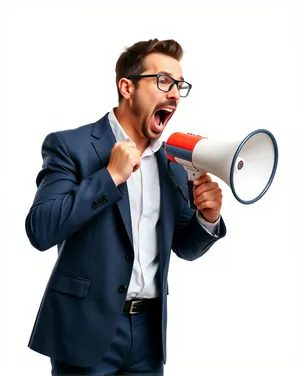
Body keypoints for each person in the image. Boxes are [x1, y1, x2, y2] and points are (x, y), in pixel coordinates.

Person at [25, 38, 226, 376]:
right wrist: (109, 177)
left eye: (180, 85)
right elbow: (41, 229)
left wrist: (208, 219)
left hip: (148, 337)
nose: (175, 93)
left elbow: (184, 247)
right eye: (163, 81)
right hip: (84, 332)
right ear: (126, 87)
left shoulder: (173, 163)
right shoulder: (70, 146)